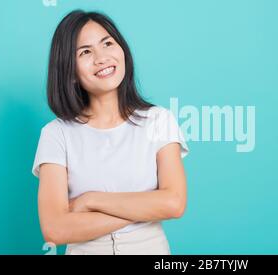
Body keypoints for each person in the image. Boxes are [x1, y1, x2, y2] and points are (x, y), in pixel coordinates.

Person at [31, 10, 189, 255]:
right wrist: (144, 209)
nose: (101, 57)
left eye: (107, 43)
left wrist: (90, 200)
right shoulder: (56, 134)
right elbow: (55, 230)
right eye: (85, 52)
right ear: (70, 72)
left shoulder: (159, 120)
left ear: (122, 50)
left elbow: (174, 203)